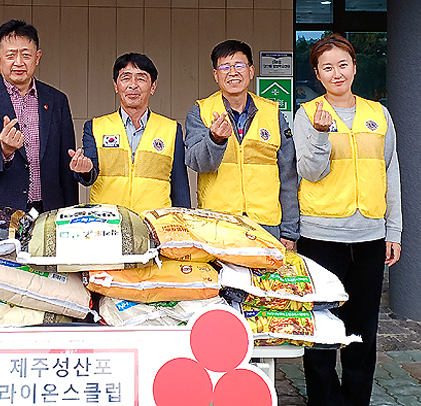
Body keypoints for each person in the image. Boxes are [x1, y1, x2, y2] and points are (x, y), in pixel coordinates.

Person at [293, 33, 402, 406]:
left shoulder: (378, 114)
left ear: (355, 67)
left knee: (362, 332)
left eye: (343, 65)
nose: (336, 73)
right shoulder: (307, 114)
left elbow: (390, 173)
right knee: (322, 329)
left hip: (369, 236)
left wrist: (393, 230)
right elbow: (309, 172)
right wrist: (321, 135)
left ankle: (357, 400)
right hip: (321, 237)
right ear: (317, 74)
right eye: (327, 68)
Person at [184, 40, 299, 249]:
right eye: (225, 67)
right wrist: (215, 139)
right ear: (215, 75)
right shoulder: (201, 111)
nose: (233, 72)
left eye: (239, 65)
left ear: (251, 71)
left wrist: (289, 231)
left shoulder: (273, 113)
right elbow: (197, 163)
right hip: (218, 223)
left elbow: (288, 175)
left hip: (266, 224)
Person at [0, 20, 78, 213]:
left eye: (26, 55)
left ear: (37, 57)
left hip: (49, 207)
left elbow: (66, 163)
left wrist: (70, 211)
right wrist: (3, 149)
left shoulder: (57, 100)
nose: (19, 62)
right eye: (10, 55)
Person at [69, 53, 190, 213]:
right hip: (109, 220)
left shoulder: (171, 129)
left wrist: (183, 220)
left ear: (153, 87)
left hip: (154, 221)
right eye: (126, 78)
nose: (133, 85)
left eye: (141, 78)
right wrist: (85, 170)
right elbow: (90, 175)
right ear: (116, 85)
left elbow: (180, 187)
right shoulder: (95, 127)